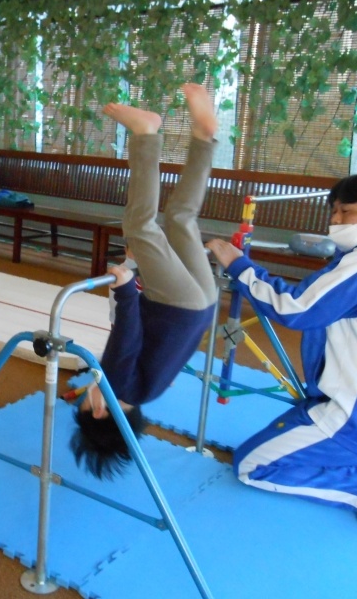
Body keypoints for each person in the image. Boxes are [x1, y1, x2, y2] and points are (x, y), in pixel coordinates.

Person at [206, 173, 357, 531]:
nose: (336, 220)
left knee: (250, 465)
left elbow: (294, 307)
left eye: (347, 212)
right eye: (334, 211)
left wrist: (239, 265)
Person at [72, 84, 218, 479]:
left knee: (181, 218)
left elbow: (161, 350)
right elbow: (128, 337)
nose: (87, 392)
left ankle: (204, 139)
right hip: (175, 304)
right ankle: (145, 133)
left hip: (203, 307)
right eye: (85, 401)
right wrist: (124, 291)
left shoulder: (147, 393)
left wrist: (138, 276)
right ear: (100, 410)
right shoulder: (116, 385)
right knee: (139, 225)